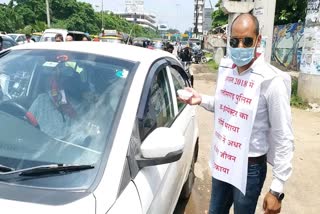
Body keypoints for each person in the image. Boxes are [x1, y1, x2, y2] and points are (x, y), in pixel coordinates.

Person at [178, 13, 293, 214]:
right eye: (234, 41)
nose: (240, 47)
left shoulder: (270, 82)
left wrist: (277, 188)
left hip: (250, 169)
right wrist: (201, 99)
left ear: (258, 40)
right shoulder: (228, 72)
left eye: (247, 41)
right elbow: (226, 107)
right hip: (225, 159)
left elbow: (283, 134)